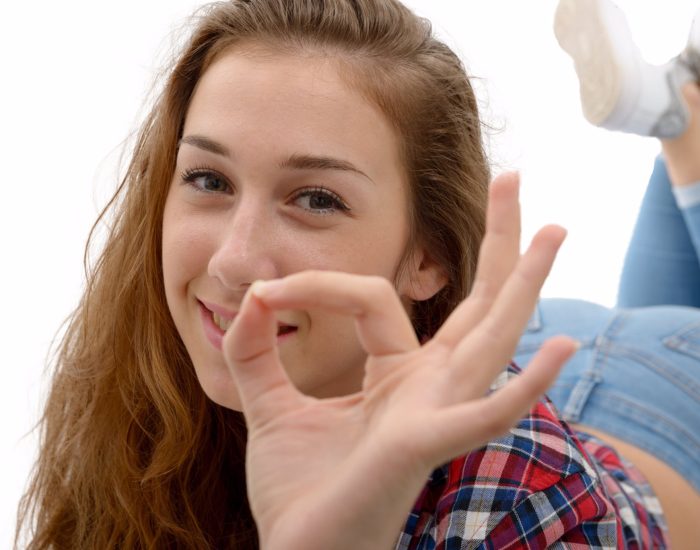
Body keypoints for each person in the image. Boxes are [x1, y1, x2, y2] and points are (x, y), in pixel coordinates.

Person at [13, 0, 693, 548]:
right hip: (510, 345)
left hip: (669, 391)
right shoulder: (132, 395)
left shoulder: (516, 499)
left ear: (424, 258)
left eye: (315, 199)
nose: (232, 261)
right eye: (209, 178)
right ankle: (672, 107)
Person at [515, 0, 700, 545]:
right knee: (661, 331)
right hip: (526, 347)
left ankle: (679, 109)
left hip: (678, 403)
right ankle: (674, 105)